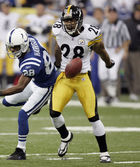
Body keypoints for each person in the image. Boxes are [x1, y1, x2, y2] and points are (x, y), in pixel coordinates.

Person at [0, 28, 59, 160]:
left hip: (45, 86)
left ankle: (20, 150)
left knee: (22, 115)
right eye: (11, 47)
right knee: (6, 102)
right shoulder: (28, 39)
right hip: (36, 80)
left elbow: (20, 87)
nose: (12, 51)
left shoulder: (32, 61)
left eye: (16, 48)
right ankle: (37, 104)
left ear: (23, 45)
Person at [50, 5, 114, 163]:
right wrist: (57, 65)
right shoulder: (58, 30)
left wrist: (108, 62)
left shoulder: (91, 33)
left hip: (83, 77)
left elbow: (100, 50)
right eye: (66, 20)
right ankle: (66, 136)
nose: (69, 24)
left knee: (93, 116)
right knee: (54, 113)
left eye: (72, 20)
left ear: (79, 20)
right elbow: (58, 47)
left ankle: (104, 153)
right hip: (65, 76)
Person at [98, 6, 131, 104]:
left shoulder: (121, 24)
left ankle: (113, 97)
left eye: (113, 13)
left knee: (113, 73)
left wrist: (123, 49)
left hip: (116, 51)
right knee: (102, 73)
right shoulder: (105, 23)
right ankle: (108, 95)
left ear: (116, 14)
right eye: (110, 13)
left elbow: (127, 39)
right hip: (106, 50)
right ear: (108, 14)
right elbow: (100, 36)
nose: (112, 15)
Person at [124, 2, 140, 101]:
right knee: (126, 72)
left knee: (137, 73)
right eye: (137, 11)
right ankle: (131, 91)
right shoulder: (127, 23)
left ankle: (136, 91)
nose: (138, 13)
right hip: (127, 51)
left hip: (137, 52)